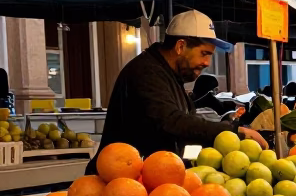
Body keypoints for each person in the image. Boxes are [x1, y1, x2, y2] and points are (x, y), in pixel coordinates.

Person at [89, 10, 267, 169]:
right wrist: (233, 131)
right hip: (120, 180)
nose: (207, 63)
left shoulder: (170, 75)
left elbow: (185, 126)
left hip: (155, 178)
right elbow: (171, 121)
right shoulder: (145, 73)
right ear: (180, 46)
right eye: (204, 54)